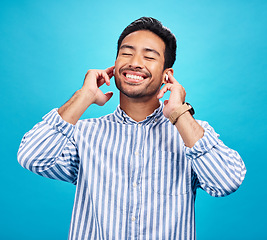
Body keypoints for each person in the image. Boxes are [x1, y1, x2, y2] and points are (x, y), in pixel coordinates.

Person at [18, 17, 246, 240]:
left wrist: (179, 113)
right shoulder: (84, 134)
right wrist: (84, 96)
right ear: (115, 65)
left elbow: (226, 182)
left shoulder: (190, 134)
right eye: (126, 53)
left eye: (149, 56)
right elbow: (33, 157)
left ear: (168, 74)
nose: (135, 62)